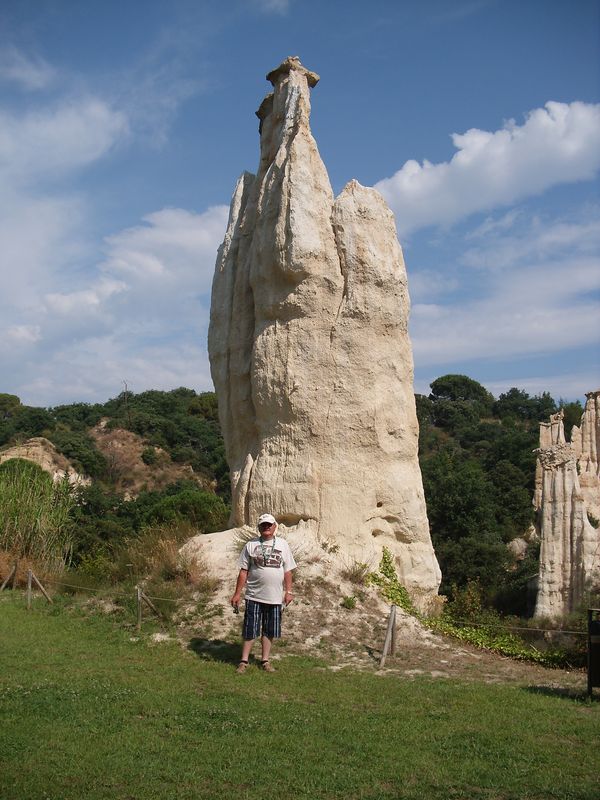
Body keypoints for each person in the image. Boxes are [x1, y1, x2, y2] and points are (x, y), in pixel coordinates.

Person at [230, 513, 296, 673]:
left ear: (275, 527)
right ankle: (244, 661)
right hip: (254, 595)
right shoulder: (250, 545)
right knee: (250, 629)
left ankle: (265, 660)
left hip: (275, 597)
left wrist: (289, 591)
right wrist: (237, 593)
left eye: (269, 524)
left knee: (270, 630)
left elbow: (287, 571)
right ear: (259, 527)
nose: (266, 527)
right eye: (263, 525)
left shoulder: (283, 544)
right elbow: (243, 571)